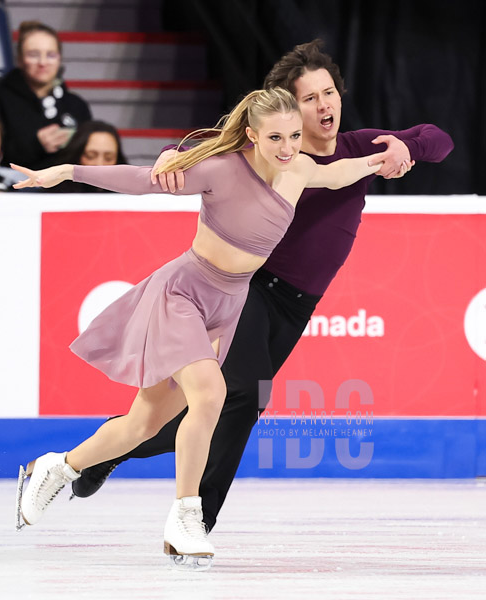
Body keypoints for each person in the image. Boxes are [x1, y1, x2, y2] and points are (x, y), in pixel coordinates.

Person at [72, 40, 454, 532]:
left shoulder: (362, 148)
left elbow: (438, 138)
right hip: (251, 291)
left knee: (211, 410)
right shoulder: (261, 155)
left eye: (329, 92)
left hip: (299, 309)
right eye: (310, 97)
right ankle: (195, 521)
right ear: (288, 109)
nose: (324, 105)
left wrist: (408, 146)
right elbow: (192, 153)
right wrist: (170, 155)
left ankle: (107, 447)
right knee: (241, 400)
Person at [11, 86, 385, 570]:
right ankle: (186, 515)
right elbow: (142, 179)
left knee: (144, 423)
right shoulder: (222, 168)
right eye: (276, 137)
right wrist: (66, 171)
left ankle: (57, 467)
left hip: (226, 306)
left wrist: (386, 157)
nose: (289, 146)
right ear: (251, 134)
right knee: (211, 394)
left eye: (295, 135)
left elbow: (342, 172)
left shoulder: (301, 170)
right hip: (184, 294)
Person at [0, 20, 91, 170]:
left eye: (51, 55)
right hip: (16, 186)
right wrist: (37, 146)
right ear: (20, 59)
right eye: (33, 55)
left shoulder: (77, 105)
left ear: (59, 59)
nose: (43, 62)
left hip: (68, 188)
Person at [46, 120, 127, 193]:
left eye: (108, 158)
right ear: (76, 155)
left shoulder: (128, 194)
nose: (100, 164)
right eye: (90, 156)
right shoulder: (53, 195)